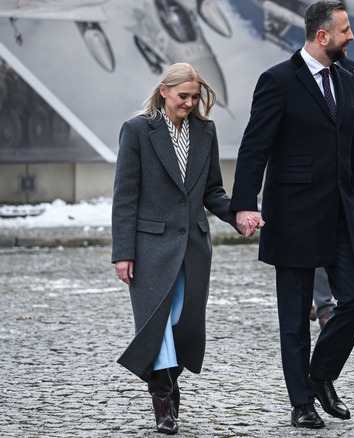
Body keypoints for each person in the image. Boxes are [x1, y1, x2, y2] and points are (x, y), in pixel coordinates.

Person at [230, 1, 354, 429]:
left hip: (341, 212)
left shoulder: (348, 78)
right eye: (345, 30)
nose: (352, 37)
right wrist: (244, 203)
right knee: (294, 318)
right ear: (322, 36)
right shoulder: (277, 80)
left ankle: (321, 375)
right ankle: (301, 402)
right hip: (292, 214)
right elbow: (254, 147)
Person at [112, 63, 258, 434]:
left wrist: (239, 215)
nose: (190, 103)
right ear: (164, 91)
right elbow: (125, 196)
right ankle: (162, 398)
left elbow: (212, 191)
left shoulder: (206, 131)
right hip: (149, 247)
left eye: (195, 96)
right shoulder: (137, 130)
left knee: (182, 323)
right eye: (183, 96)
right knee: (157, 323)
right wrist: (122, 252)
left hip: (193, 247)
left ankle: (168, 378)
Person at [310, 57, 354, 329]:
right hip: (315, 178)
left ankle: (327, 304)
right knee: (316, 243)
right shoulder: (299, 71)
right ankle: (323, 305)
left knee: (343, 246)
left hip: (346, 174)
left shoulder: (351, 70)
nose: (350, 38)